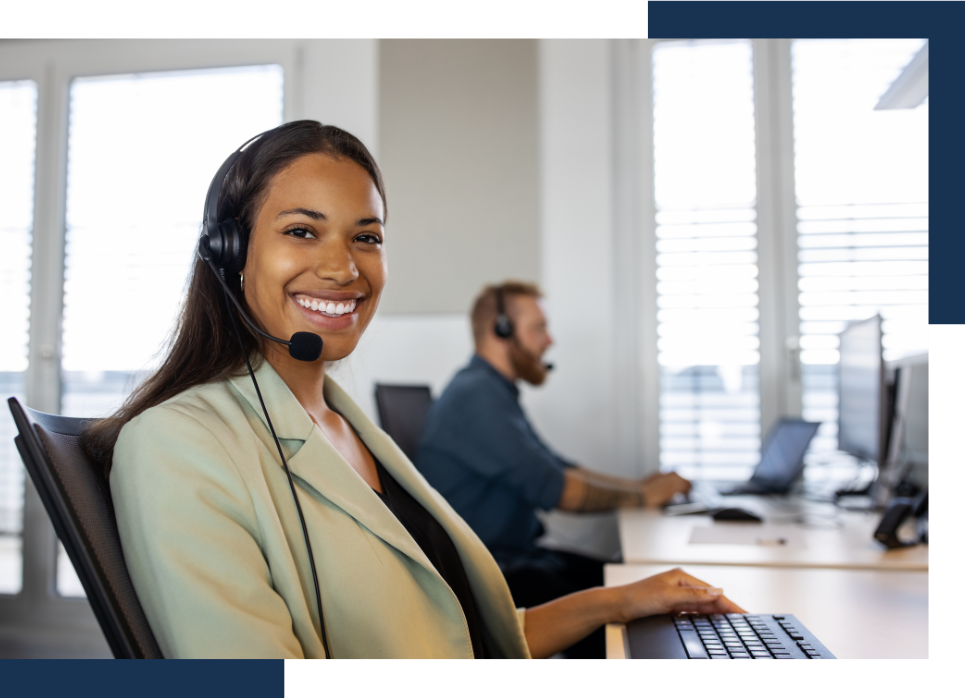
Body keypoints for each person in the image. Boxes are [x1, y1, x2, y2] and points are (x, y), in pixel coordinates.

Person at [84, 121, 741, 659]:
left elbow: (471, 640)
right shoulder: (179, 444)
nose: (343, 267)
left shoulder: (346, 425)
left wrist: (620, 599)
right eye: (301, 231)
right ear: (231, 254)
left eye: (365, 237)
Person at [415, 282, 692, 657]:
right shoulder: (475, 397)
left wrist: (639, 486)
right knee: (629, 612)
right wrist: (643, 496)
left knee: (629, 580)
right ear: (502, 330)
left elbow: (560, 466)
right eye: (539, 328)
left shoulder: (493, 391)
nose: (549, 341)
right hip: (492, 577)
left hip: (519, 558)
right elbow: (558, 490)